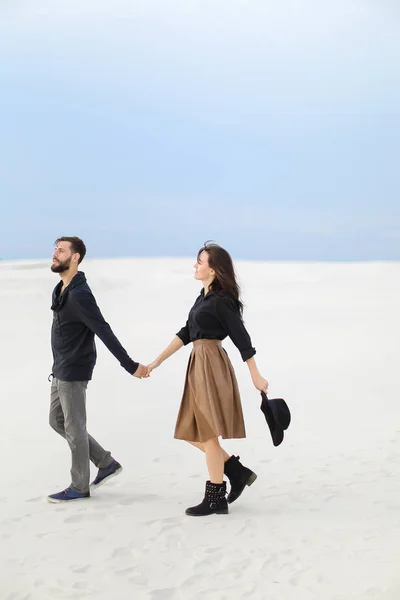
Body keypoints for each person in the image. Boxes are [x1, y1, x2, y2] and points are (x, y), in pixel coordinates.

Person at [146, 242, 268, 516]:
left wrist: (255, 375)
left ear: (213, 270)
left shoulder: (222, 301)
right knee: (191, 430)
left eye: (199, 261)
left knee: (208, 433)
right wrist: (157, 361)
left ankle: (216, 497)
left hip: (212, 364)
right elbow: (186, 332)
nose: (195, 265)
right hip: (198, 364)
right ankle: (236, 471)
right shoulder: (203, 298)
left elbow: (242, 340)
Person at [47, 236, 146, 503]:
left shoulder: (80, 295)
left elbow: (102, 329)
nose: (55, 254)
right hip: (60, 368)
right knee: (57, 421)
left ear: (75, 257)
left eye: (61, 250)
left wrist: (130, 365)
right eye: (55, 249)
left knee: (74, 426)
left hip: (74, 370)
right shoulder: (61, 289)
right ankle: (105, 462)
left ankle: (79, 485)